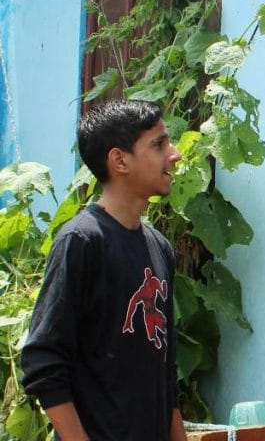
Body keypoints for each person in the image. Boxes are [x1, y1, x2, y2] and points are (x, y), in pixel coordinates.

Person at [21, 99, 186, 441]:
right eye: (159, 144)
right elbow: (43, 361)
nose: (175, 154)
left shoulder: (160, 248)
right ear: (119, 160)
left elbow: (166, 371)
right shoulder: (81, 242)